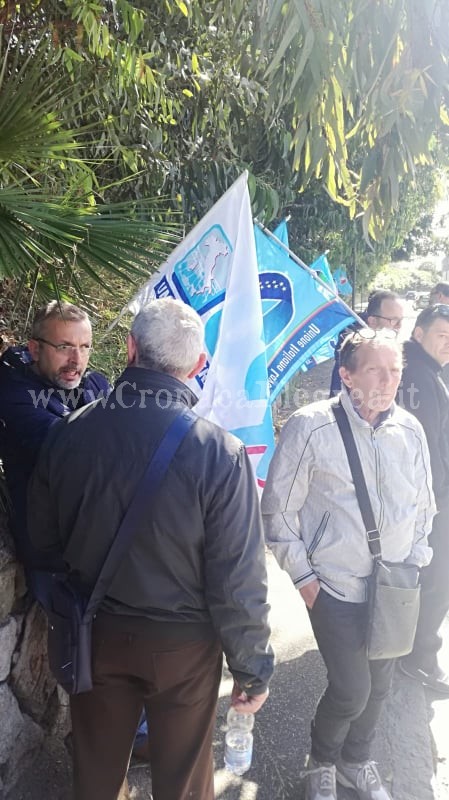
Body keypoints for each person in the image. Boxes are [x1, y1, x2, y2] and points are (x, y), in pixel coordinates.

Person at [28, 297, 274, 800]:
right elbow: (237, 577)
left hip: (94, 633)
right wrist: (252, 666)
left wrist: (73, 609)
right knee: (183, 781)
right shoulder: (220, 452)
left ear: (130, 349)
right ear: (197, 365)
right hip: (183, 647)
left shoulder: (69, 433)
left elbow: (43, 543)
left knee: (95, 774)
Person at [262, 329, 435, 800]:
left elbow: (424, 504)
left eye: (395, 370)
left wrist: (416, 559)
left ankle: (356, 761)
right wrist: (304, 578)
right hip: (334, 587)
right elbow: (278, 510)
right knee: (352, 689)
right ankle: (321, 761)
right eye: (376, 370)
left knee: (381, 686)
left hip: (395, 586)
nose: (388, 380)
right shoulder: (311, 426)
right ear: (346, 374)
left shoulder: (409, 429)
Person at [0, 301, 110, 597]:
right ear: (35, 349)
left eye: (85, 347)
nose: (77, 359)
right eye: (64, 347)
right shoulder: (12, 393)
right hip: (53, 559)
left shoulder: (94, 383)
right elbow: (71, 450)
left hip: (98, 545)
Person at [397, 304, 449, 693]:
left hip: (429, 497)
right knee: (437, 580)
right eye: (441, 336)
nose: (447, 345)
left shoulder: (427, 370)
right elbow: (428, 448)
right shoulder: (418, 373)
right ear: (419, 334)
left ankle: (410, 648)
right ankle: (419, 658)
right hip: (433, 500)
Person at [329, 290, 404, 396]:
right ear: (372, 321)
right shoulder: (352, 347)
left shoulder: (392, 347)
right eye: (394, 320)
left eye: (401, 320)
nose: (399, 326)